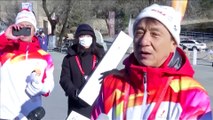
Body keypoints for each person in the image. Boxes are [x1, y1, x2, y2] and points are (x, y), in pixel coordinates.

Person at [91, 4, 212, 120]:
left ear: (173, 44)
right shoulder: (112, 85)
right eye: (139, 32)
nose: (144, 41)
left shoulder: (191, 94)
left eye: (155, 34)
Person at [0, 9, 54, 120]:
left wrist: (40, 86)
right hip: (5, 114)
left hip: (29, 115)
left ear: (34, 30)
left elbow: (48, 87)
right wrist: (5, 37)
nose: (23, 30)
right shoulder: (4, 51)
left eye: (28, 27)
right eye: (20, 26)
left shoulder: (44, 56)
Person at [59, 23, 105, 118]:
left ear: (93, 38)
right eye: (82, 36)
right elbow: (64, 79)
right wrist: (73, 91)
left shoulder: (100, 56)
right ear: (77, 38)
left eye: (88, 36)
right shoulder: (69, 58)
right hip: (76, 105)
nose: (85, 38)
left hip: (96, 104)